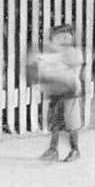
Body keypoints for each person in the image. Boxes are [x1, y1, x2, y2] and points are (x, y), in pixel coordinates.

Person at [34, 23, 85, 161]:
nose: (62, 40)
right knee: (55, 123)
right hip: (56, 92)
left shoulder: (75, 53)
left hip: (71, 92)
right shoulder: (53, 54)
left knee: (71, 124)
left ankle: (75, 150)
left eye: (66, 37)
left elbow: (66, 61)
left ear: (72, 39)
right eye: (58, 38)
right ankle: (53, 149)